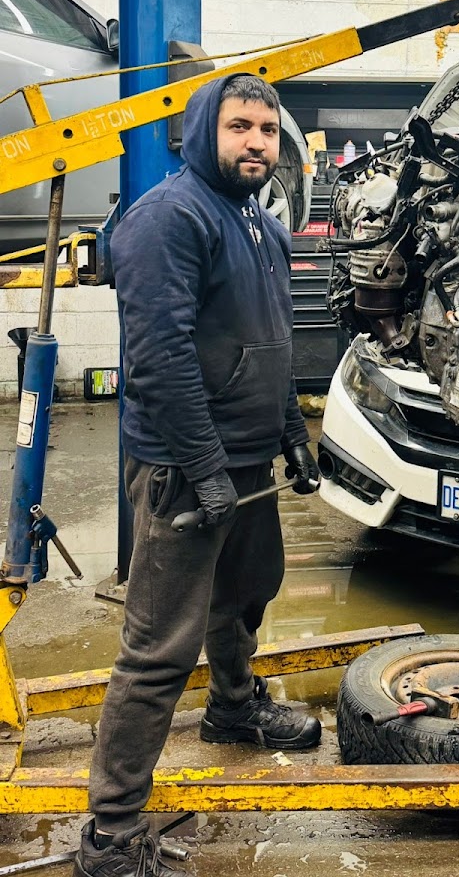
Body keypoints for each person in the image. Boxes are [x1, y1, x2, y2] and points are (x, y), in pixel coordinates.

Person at [74, 74, 321, 877]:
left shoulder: (262, 224)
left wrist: (293, 435)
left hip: (245, 461)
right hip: (182, 469)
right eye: (239, 126)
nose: (256, 142)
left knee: (245, 594)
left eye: (267, 130)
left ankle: (232, 710)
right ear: (204, 131)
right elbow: (159, 359)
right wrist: (205, 467)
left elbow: (274, 339)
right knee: (158, 650)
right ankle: (111, 836)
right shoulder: (168, 218)